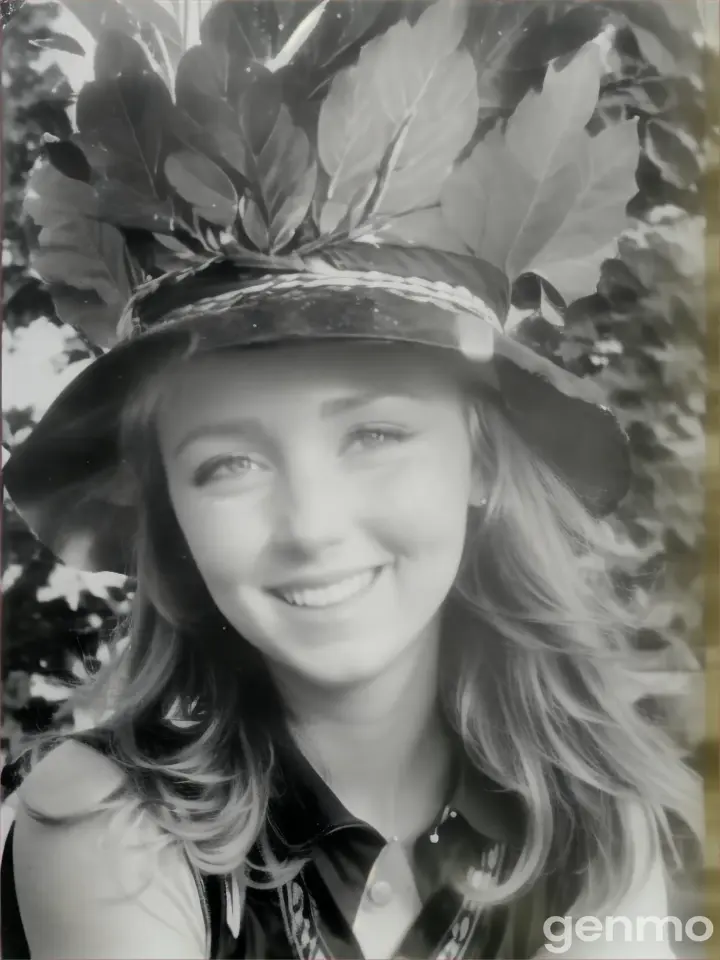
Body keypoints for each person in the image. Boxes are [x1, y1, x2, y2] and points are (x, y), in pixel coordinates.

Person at [0, 1, 700, 958]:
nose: (313, 526)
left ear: (482, 458)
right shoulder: (102, 824)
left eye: (373, 433)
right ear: (172, 515)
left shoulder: (596, 821)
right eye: (229, 464)